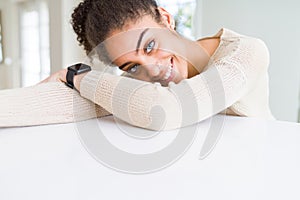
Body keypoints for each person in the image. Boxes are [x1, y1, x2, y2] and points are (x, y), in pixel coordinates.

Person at [0, 0, 274, 130]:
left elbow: (168, 109)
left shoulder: (246, 53)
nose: (152, 70)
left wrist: (78, 77)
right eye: (130, 66)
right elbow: (74, 104)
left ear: (166, 19)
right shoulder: (143, 85)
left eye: (151, 46)